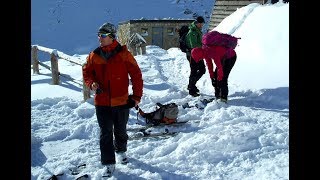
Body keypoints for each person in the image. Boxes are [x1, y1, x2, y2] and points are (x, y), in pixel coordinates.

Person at [82, 22, 143, 177]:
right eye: (99, 35)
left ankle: (121, 151)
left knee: (121, 131)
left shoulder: (124, 54)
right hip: (101, 102)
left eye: (102, 36)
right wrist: (91, 83)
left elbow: (136, 75)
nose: (99, 38)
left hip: (121, 101)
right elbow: (87, 72)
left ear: (111, 37)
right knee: (105, 133)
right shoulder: (94, 55)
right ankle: (108, 163)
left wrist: (136, 97)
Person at [185, 16, 206, 97]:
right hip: (192, 54)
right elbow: (194, 45)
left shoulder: (197, 30)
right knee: (194, 71)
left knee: (202, 70)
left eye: (202, 24)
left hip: (198, 54)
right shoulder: (192, 32)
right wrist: (203, 45)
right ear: (197, 23)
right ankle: (191, 89)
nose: (202, 25)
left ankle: (191, 85)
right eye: (200, 24)